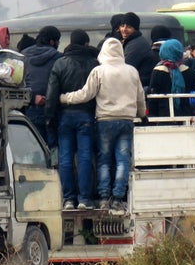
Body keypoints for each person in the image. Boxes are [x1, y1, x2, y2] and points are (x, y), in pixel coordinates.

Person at [60, 37, 146, 215]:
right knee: (123, 160)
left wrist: (64, 98)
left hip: (105, 121)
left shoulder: (99, 71)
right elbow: (140, 97)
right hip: (126, 121)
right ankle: (117, 198)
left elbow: (85, 94)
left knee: (104, 161)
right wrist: (142, 113)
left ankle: (104, 198)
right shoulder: (132, 71)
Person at [45, 29, 99, 210]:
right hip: (86, 116)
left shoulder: (60, 64)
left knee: (65, 158)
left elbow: (52, 94)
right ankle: (84, 198)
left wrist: (49, 117)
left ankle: (68, 199)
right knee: (84, 157)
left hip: (65, 117)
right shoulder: (94, 64)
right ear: (86, 44)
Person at [148, 39, 195, 139]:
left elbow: (153, 93)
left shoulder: (158, 71)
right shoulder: (186, 70)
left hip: (163, 114)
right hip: (184, 112)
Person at [22, 25, 63, 147]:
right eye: (58, 41)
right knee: (52, 147)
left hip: (29, 107)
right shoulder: (58, 58)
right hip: (51, 109)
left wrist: (33, 98)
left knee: (33, 146)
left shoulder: (23, 56)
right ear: (52, 41)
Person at [119, 12, 155, 89]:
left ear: (135, 28)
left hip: (139, 86)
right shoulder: (132, 41)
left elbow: (126, 67)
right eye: (122, 26)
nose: (124, 29)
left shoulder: (135, 45)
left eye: (128, 27)